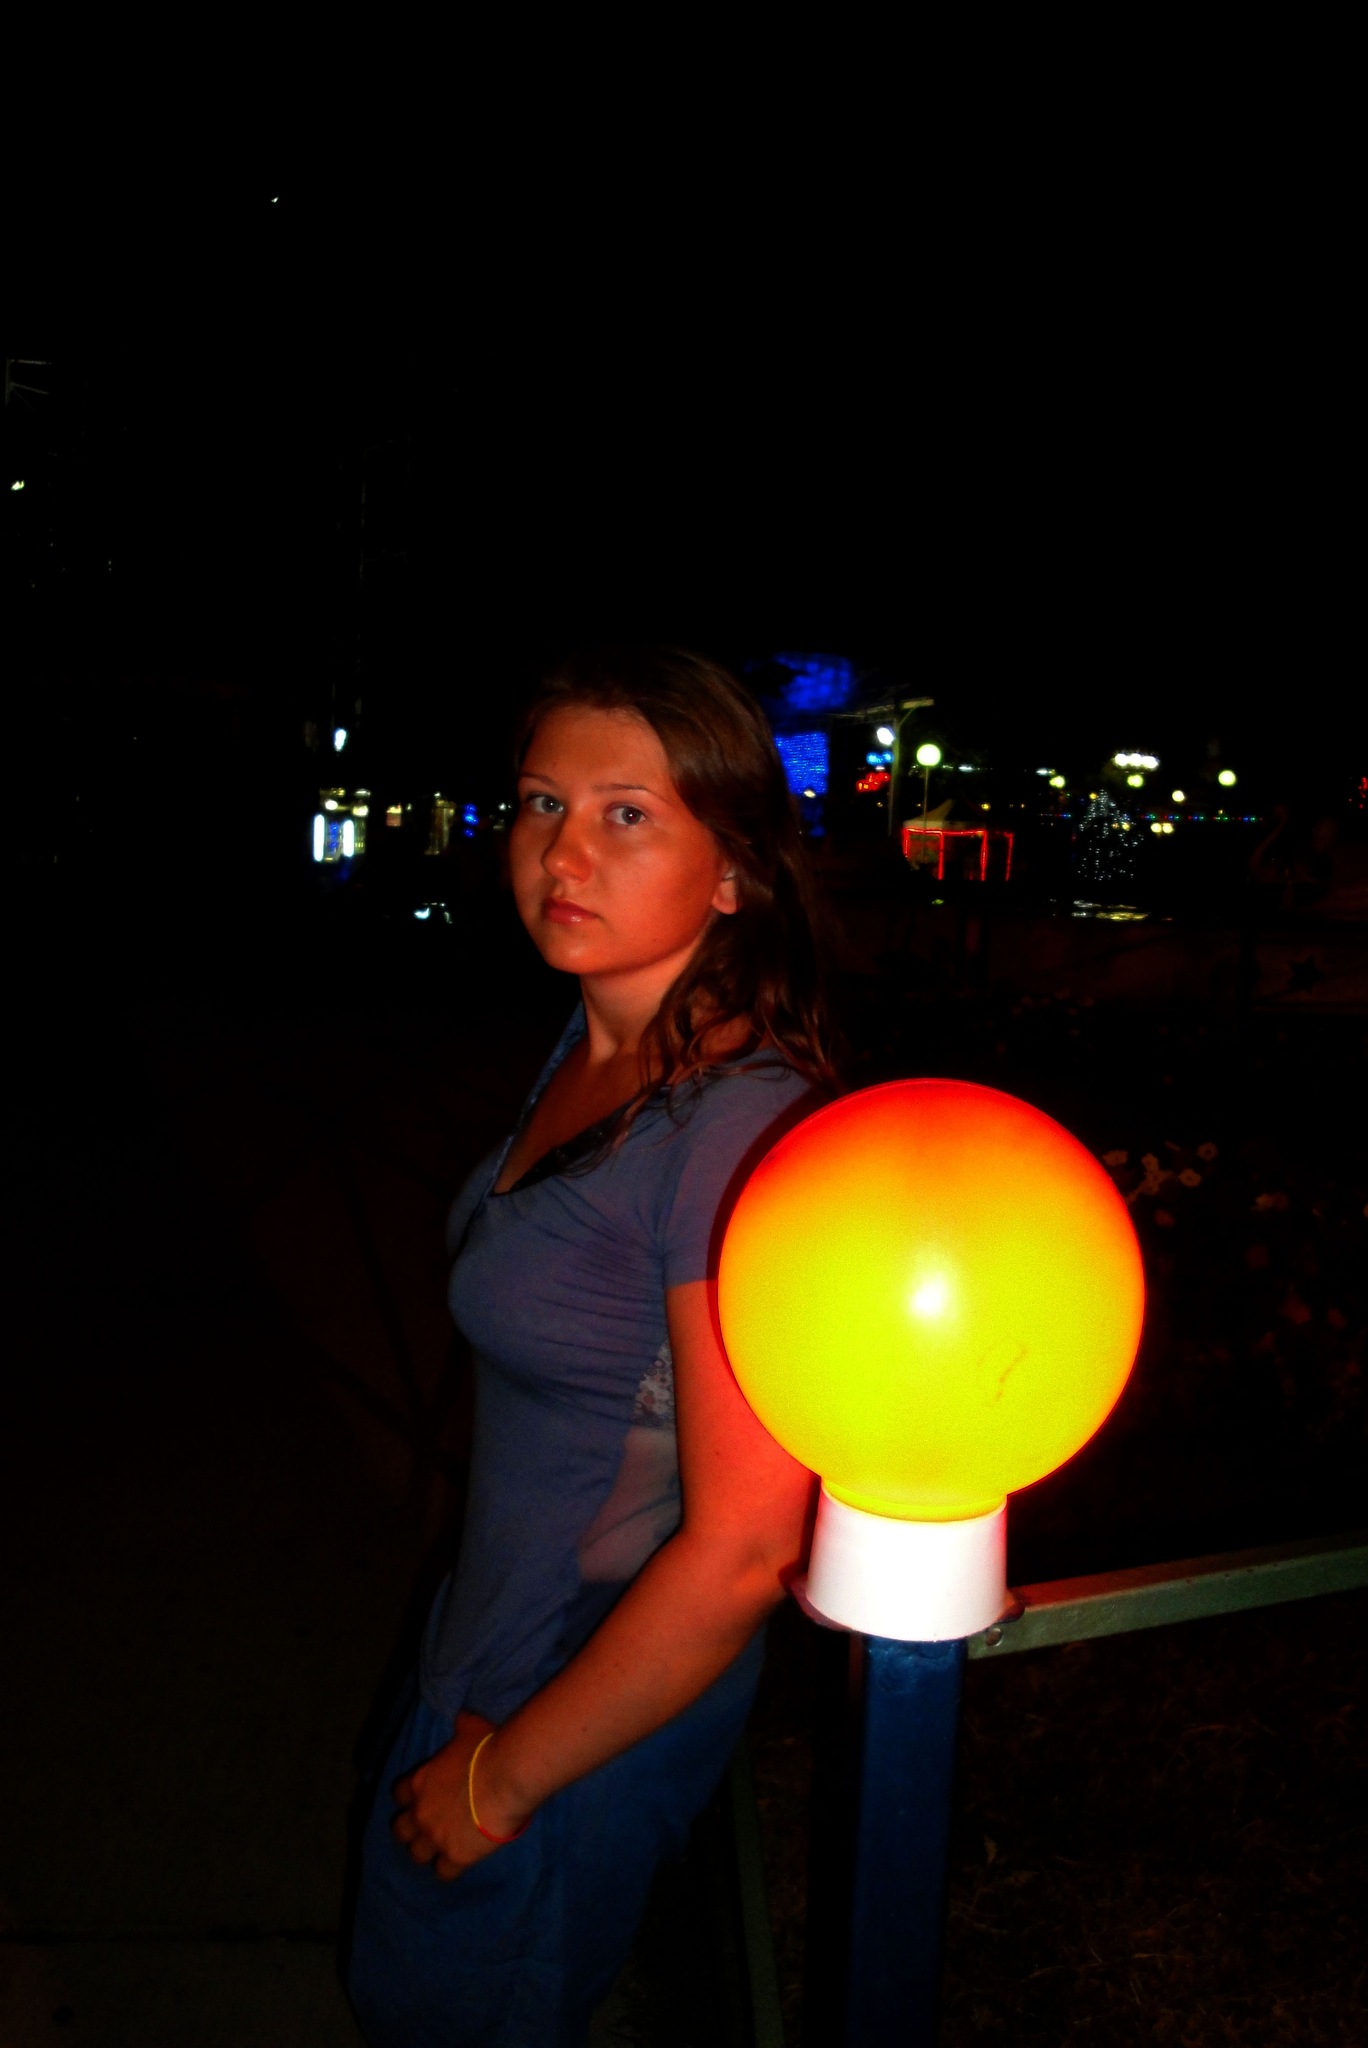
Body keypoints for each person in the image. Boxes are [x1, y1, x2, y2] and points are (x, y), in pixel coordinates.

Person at [348, 647, 837, 2046]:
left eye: (627, 814)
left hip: (571, 1704)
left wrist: (503, 1781)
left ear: (732, 870)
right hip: (487, 1643)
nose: (562, 851)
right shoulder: (601, 1045)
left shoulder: (735, 1133)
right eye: (541, 802)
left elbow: (744, 1549)